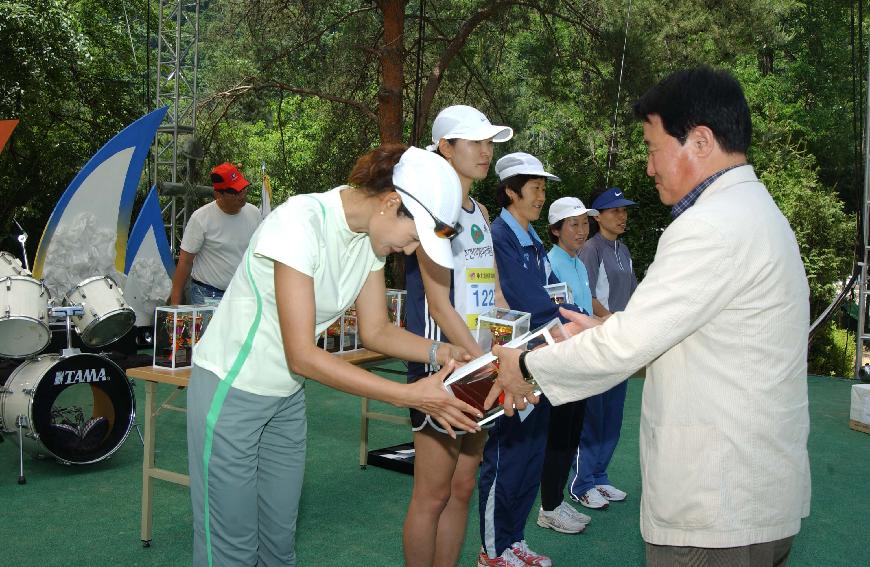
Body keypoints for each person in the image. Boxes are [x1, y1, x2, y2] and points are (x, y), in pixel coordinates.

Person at [492, 66, 810, 567]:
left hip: (715, 507)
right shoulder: (755, 211)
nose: (648, 167)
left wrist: (526, 366)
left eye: (651, 147)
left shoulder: (708, 226)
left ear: (700, 141)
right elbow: (683, 329)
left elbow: (630, 343)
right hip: (750, 492)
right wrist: (601, 327)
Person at [186, 145, 484, 567]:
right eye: (414, 236)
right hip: (230, 391)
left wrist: (443, 351)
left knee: (278, 545)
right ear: (391, 203)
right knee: (230, 550)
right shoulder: (299, 221)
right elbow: (303, 355)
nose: (409, 248)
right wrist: (411, 395)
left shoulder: (370, 241)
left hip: (285, 399)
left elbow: (376, 330)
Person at [403, 104, 512, 567]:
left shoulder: (481, 211)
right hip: (442, 368)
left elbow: (495, 292)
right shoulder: (429, 209)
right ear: (444, 148)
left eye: (490, 142)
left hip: (480, 363)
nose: (486, 151)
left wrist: (508, 343)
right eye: (476, 142)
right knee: (431, 493)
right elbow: (437, 303)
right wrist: (478, 360)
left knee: (464, 484)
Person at [476, 152, 583, 567]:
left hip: (538, 363)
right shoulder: (498, 237)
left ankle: (514, 539)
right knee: (506, 455)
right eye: (535, 188)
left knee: (530, 453)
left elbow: (555, 292)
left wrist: (570, 318)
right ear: (510, 191)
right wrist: (569, 327)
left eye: (543, 188)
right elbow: (527, 298)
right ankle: (492, 550)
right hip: (512, 363)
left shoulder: (533, 238)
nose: (542, 196)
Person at [567, 186, 638, 510]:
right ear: (598, 216)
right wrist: (610, 321)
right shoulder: (591, 250)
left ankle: (600, 477)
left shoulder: (622, 249)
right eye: (615, 211)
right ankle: (582, 483)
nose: (622, 216)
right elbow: (586, 297)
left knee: (612, 413)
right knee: (593, 416)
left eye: (624, 210)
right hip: (599, 342)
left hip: (620, 343)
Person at [535, 197, 598, 535]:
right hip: (561, 362)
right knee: (559, 437)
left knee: (573, 433)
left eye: (584, 223)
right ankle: (548, 507)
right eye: (573, 224)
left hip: (582, 360)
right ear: (555, 230)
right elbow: (560, 312)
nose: (580, 230)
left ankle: (557, 500)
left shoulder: (578, 262)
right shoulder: (551, 263)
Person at [169, 162, 261, 305]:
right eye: (235, 192)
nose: (242, 195)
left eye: (243, 188)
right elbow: (185, 262)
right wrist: (175, 303)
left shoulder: (254, 213)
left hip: (242, 294)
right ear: (218, 194)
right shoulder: (201, 219)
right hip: (207, 296)